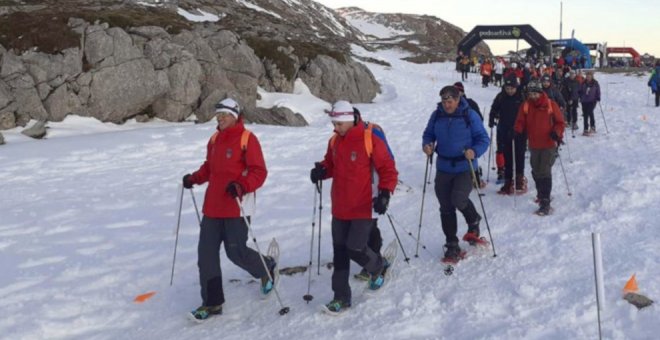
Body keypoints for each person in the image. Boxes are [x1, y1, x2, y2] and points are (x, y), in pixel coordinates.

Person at [183, 98, 273, 321]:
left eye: (224, 114)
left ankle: (267, 268)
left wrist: (242, 185)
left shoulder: (247, 139)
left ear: (235, 115)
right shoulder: (214, 139)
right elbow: (209, 168)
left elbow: (259, 171)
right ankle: (212, 303)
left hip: (237, 206)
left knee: (236, 252)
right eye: (218, 115)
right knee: (206, 256)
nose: (220, 118)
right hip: (213, 207)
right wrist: (194, 178)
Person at [310, 100, 398, 313]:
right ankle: (340, 297)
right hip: (340, 205)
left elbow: (388, 168)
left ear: (349, 119)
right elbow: (331, 164)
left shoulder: (369, 138)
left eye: (339, 123)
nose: (335, 127)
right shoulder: (334, 141)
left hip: (364, 205)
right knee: (340, 252)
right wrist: (321, 170)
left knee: (356, 248)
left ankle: (379, 266)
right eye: (334, 123)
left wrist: (385, 193)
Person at [422, 86, 490, 263]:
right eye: (444, 101)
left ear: (458, 99)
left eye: (450, 101)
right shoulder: (437, 115)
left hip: (465, 166)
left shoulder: (469, 115)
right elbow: (428, 133)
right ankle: (451, 244)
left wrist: (474, 151)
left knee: (458, 198)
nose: (446, 104)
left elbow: (483, 138)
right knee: (445, 206)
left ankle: (473, 220)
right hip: (443, 166)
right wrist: (427, 145)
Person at [513, 80, 565, 215]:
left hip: (548, 144)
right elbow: (520, 121)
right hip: (533, 144)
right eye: (531, 94)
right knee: (535, 171)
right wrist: (517, 130)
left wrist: (557, 132)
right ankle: (541, 194)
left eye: (535, 93)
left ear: (540, 92)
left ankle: (545, 201)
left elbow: (560, 122)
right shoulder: (526, 106)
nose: (533, 96)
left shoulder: (550, 105)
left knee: (544, 171)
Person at [489, 76, 527, 195]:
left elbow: (527, 113)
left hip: (519, 131)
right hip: (504, 130)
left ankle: (519, 178)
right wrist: (491, 118)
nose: (510, 91)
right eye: (507, 88)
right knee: (507, 155)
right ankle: (508, 180)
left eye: (512, 88)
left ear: (516, 87)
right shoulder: (501, 97)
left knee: (519, 155)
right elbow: (494, 108)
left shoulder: (521, 97)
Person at [578, 71, 601, 135]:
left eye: (589, 76)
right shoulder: (583, 83)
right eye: (587, 76)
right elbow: (579, 90)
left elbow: (598, 91)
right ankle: (585, 129)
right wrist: (579, 95)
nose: (588, 77)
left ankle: (592, 126)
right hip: (584, 101)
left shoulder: (595, 83)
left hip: (592, 100)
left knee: (590, 112)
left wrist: (598, 97)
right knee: (585, 114)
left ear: (592, 76)